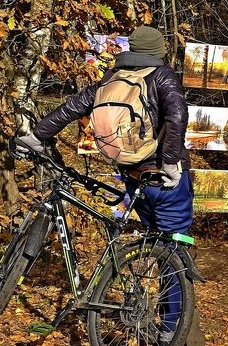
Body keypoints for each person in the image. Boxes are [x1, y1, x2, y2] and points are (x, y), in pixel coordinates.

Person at [14, 25, 194, 245]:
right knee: (173, 245)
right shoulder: (161, 75)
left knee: (156, 240)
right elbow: (177, 116)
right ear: (158, 51)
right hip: (164, 177)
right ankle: (174, 278)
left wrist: (36, 137)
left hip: (132, 175)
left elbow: (72, 107)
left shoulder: (111, 78)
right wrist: (170, 163)